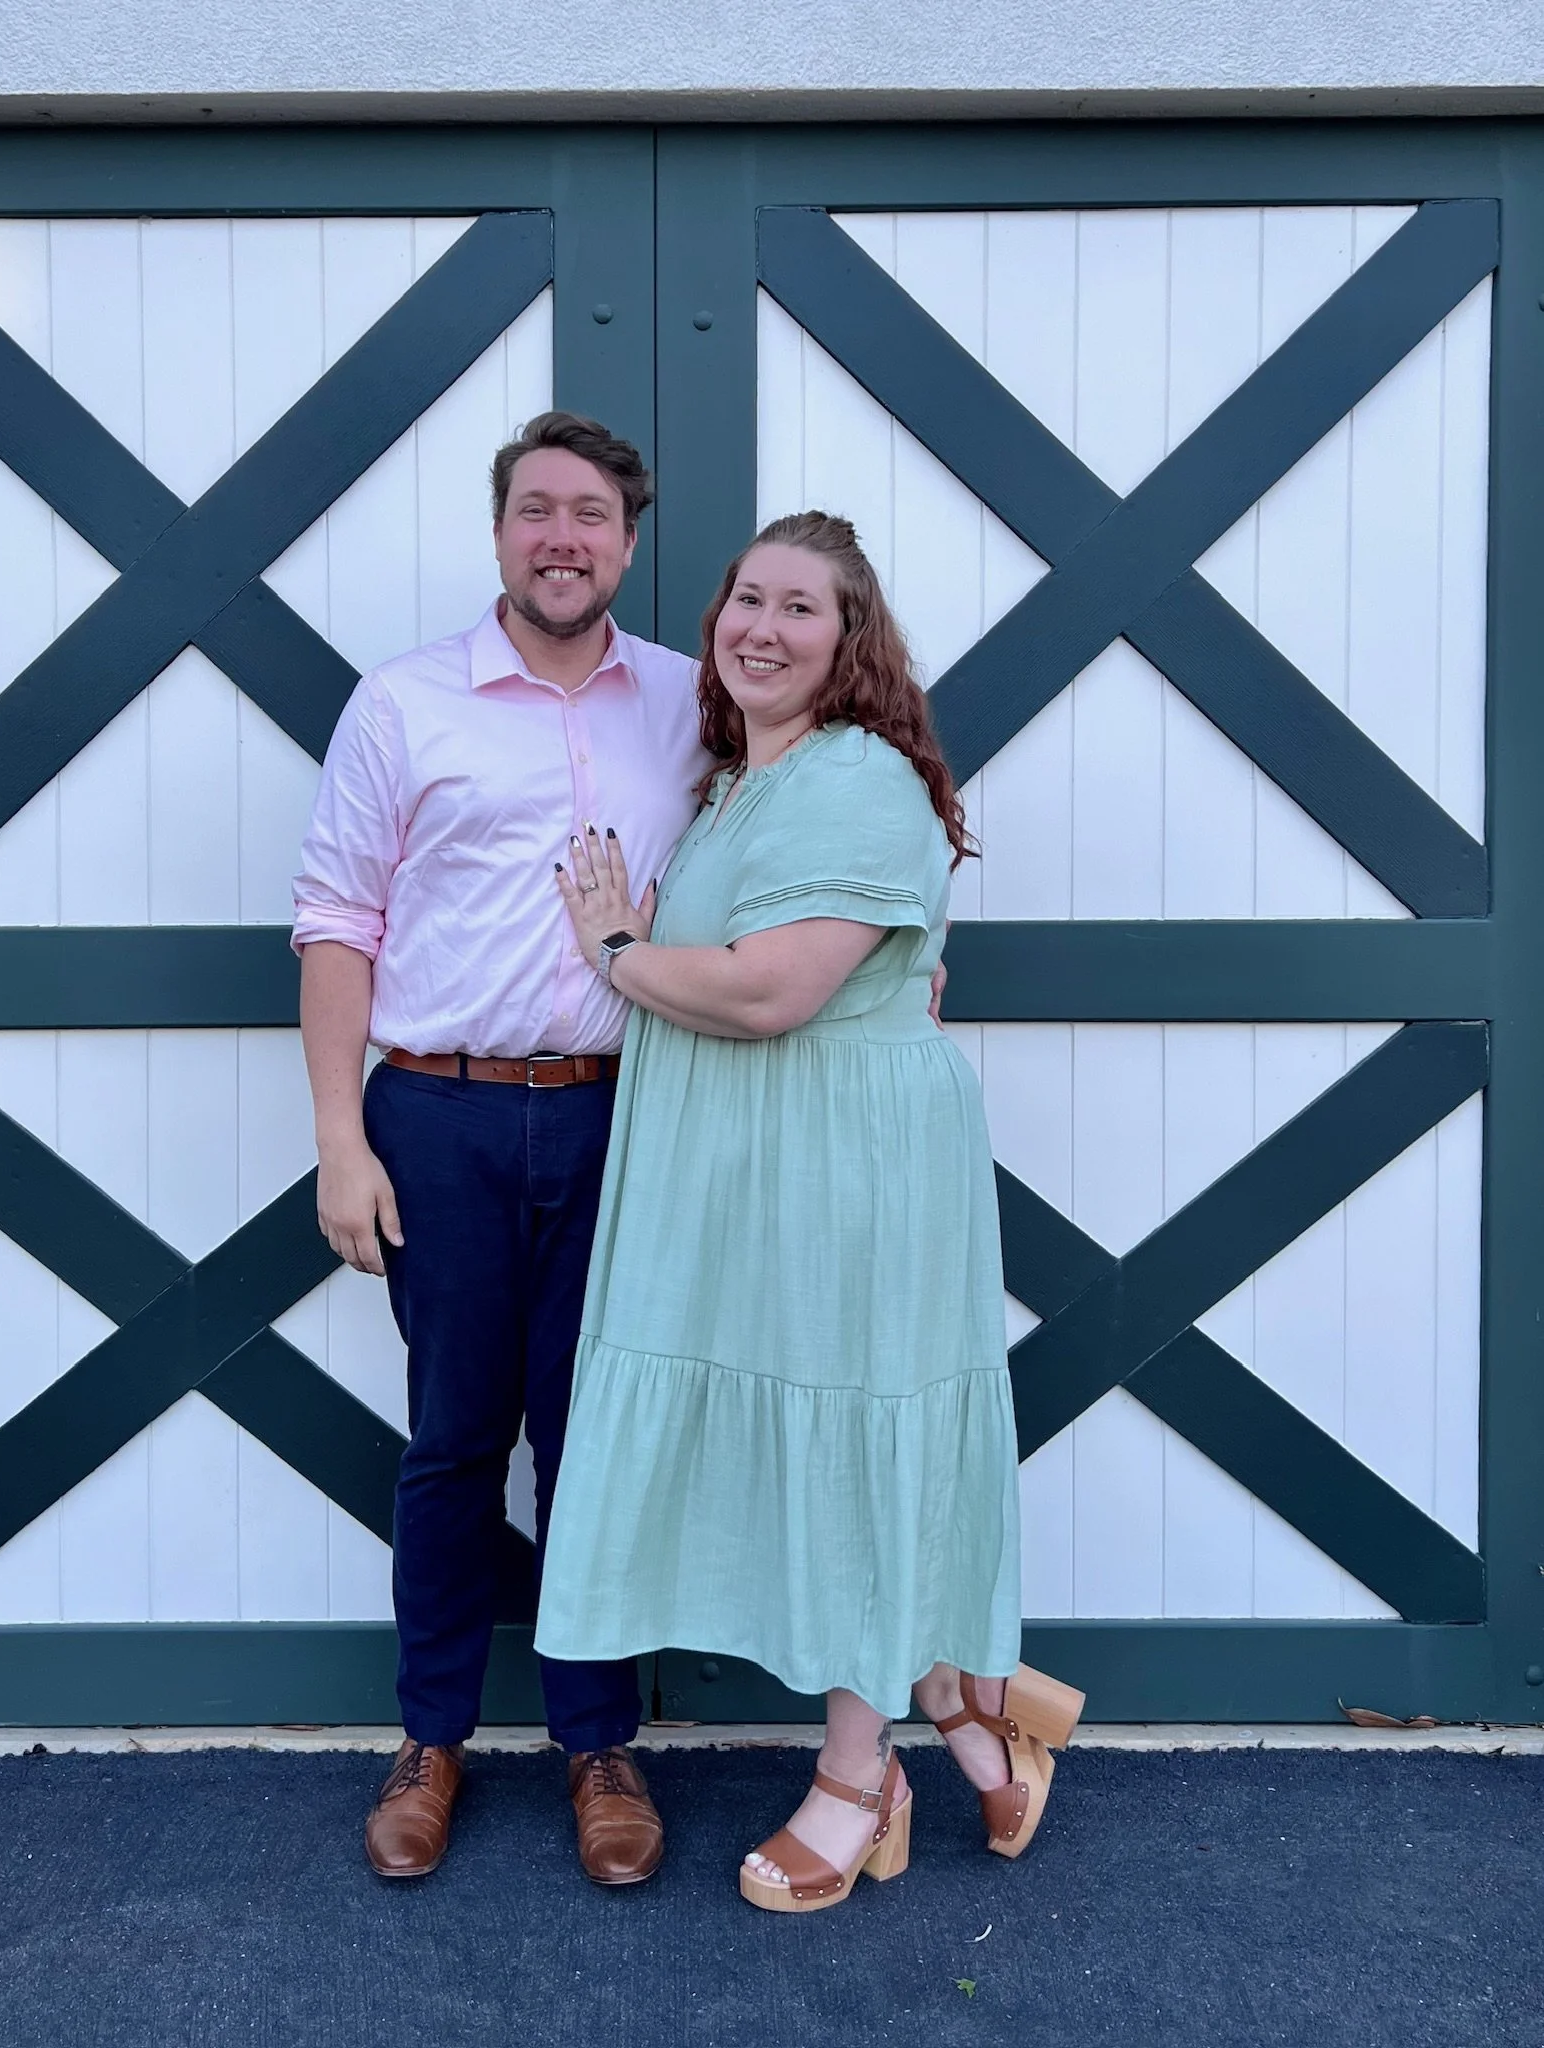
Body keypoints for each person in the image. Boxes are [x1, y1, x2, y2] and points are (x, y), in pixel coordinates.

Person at [536, 511, 1085, 1915]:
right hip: (761, 1159)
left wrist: (617, 950)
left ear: (852, 646)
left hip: (841, 1162)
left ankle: (864, 1772)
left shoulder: (854, 776)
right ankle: (966, 1700)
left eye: (800, 608)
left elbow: (771, 992)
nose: (761, 628)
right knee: (820, 1430)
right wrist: (664, 953)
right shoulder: (737, 784)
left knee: (845, 1434)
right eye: (745, 600)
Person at [292, 411, 709, 1886]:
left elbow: (790, 843)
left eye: (589, 515)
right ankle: (434, 1743)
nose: (561, 538)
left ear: (628, 542)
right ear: (498, 533)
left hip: (622, 1112)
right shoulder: (405, 703)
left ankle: (600, 1746)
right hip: (441, 1112)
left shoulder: (685, 701)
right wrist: (341, 1142)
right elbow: (338, 921)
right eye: (536, 510)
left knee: (593, 1443)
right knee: (456, 1438)